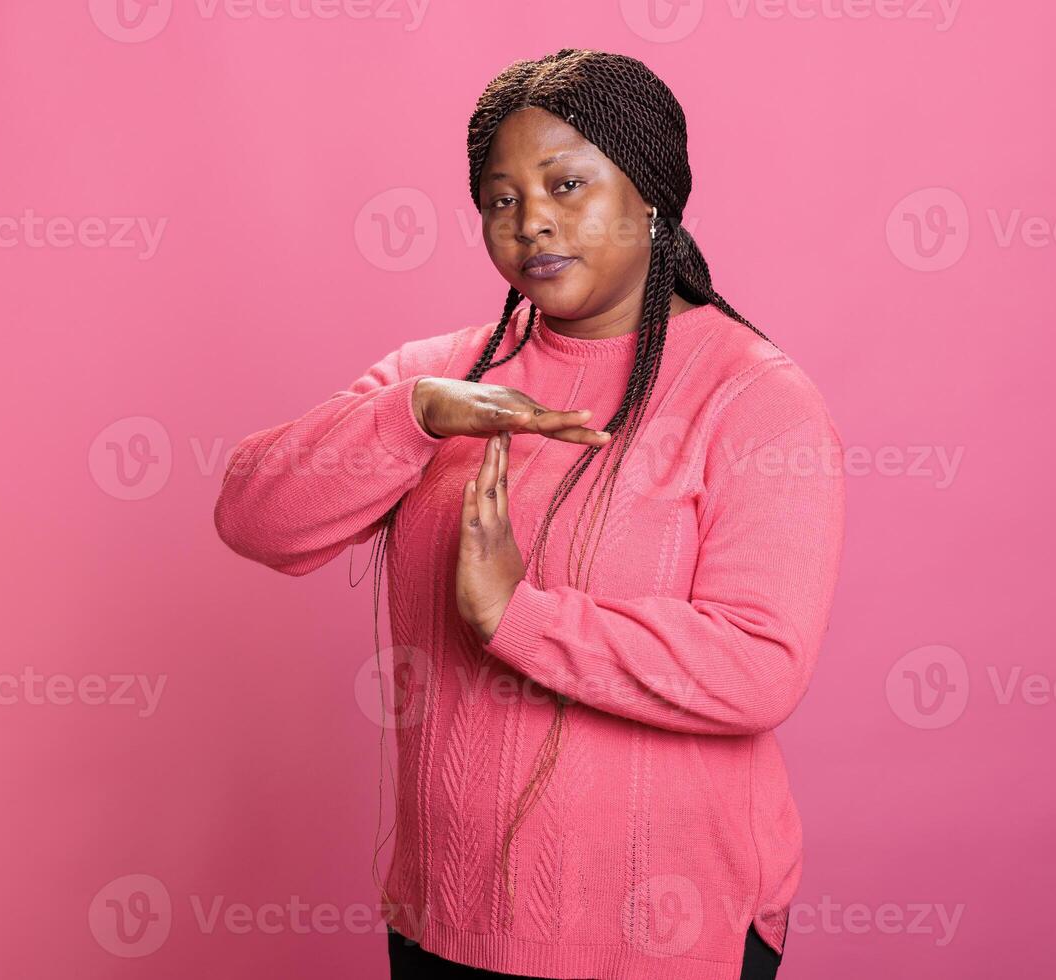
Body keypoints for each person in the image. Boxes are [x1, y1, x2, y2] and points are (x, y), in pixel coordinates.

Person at [215, 47, 846, 980]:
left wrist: (519, 617)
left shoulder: (753, 396)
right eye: (501, 198)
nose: (532, 221)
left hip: (665, 933)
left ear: (653, 199)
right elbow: (253, 515)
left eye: (566, 184)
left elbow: (760, 667)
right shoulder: (446, 376)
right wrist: (412, 416)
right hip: (446, 920)